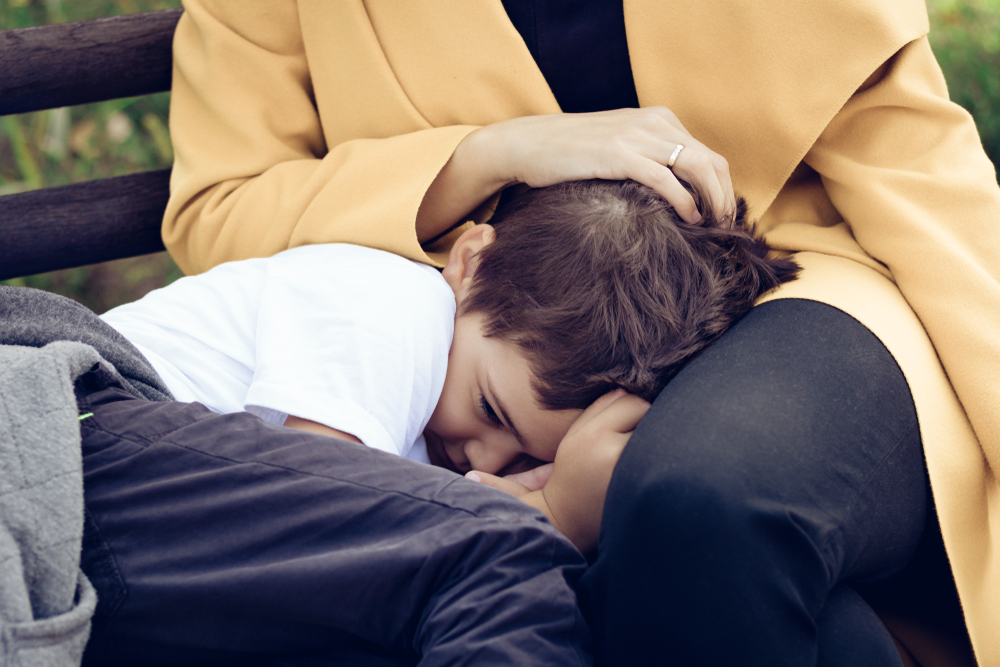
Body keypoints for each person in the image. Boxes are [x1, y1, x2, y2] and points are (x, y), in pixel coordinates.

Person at [160, 1, 1000, 665]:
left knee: (701, 498)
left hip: (792, 278)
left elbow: (918, 169)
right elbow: (220, 205)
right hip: (489, 333)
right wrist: (491, 155)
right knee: (808, 625)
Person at [99, 178, 796, 553]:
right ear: (469, 262)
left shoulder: (453, 380)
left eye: (526, 458)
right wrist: (548, 515)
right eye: (492, 408)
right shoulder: (393, 310)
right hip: (98, 430)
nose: (482, 458)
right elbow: (309, 522)